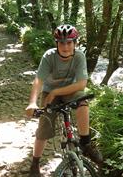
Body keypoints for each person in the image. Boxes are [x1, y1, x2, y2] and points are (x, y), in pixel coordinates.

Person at [25, 24, 103, 177]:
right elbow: (38, 81)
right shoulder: (49, 56)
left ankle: (86, 143)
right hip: (48, 93)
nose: (65, 46)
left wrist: (56, 91)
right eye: (61, 42)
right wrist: (32, 102)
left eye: (69, 42)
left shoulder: (79, 56)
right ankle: (35, 162)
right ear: (56, 44)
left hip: (69, 90)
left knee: (83, 101)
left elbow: (81, 84)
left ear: (75, 43)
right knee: (44, 127)